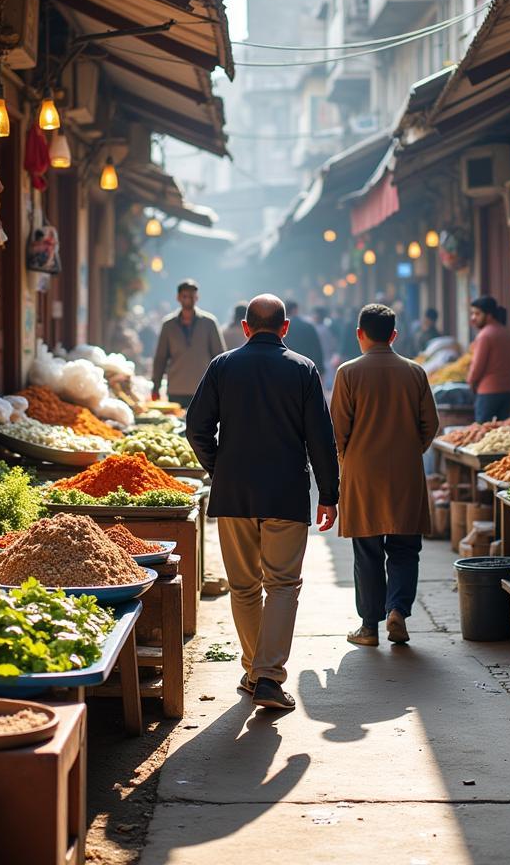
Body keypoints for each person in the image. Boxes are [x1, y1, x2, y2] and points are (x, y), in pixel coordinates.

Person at [186, 294, 339, 711]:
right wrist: (329, 493)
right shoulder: (303, 369)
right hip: (286, 493)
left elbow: (196, 429)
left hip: (234, 493)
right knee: (283, 585)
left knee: (244, 586)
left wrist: (220, 468)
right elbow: (321, 439)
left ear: (246, 327)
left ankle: (256, 670)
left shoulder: (222, 367)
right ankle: (268, 675)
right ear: (285, 328)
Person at [331, 304, 439, 648]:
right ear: (394, 335)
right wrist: (410, 450)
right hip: (406, 472)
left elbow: (338, 430)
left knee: (368, 551)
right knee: (406, 548)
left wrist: (348, 459)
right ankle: (398, 611)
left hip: (362, 474)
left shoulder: (348, 373)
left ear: (360, 334)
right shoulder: (415, 372)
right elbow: (430, 425)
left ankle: (368, 626)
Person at [151, 279, 225, 408]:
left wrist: (222, 386)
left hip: (203, 388)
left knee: (202, 427)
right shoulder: (168, 325)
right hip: (176, 389)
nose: (188, 299)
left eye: (192, 296)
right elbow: (160, 358)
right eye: (185, 296)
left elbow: (219, 356)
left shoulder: (209, 323)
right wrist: (155, 387)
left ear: (197, 297)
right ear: (178, 297)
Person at [467, 295, 510, 423]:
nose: (473, 318)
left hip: (487, 392)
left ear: (489, 315)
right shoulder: (506, 333)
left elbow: (477, 366)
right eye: (472, 314)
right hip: (506, 391)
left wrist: (470, 381)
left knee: (482, 432)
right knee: (501, 431)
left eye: (477, 314)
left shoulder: (484, 335)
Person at [283, 299, 324, 372]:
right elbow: (316, 348)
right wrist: (320, 369)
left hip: (285, 366)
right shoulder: (307, 326)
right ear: (295, 310)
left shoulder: (280, 326)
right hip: (305, 366)